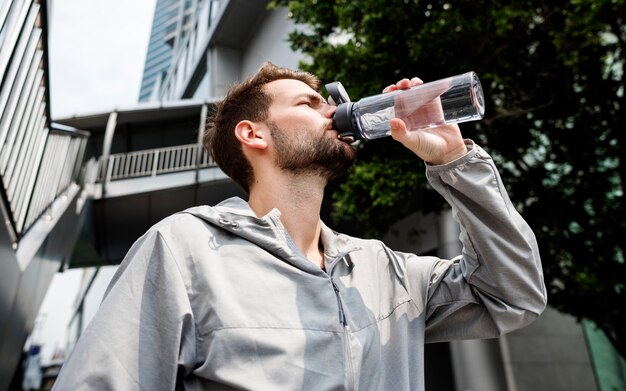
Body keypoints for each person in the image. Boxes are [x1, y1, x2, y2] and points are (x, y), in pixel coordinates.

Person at [53, 62, 547, 390]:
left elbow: (512, 296)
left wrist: (455, 161)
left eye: (326, 102)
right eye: (309, 104)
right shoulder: (184, 249)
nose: (332, 111)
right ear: (253, 134)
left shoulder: (384, 269)